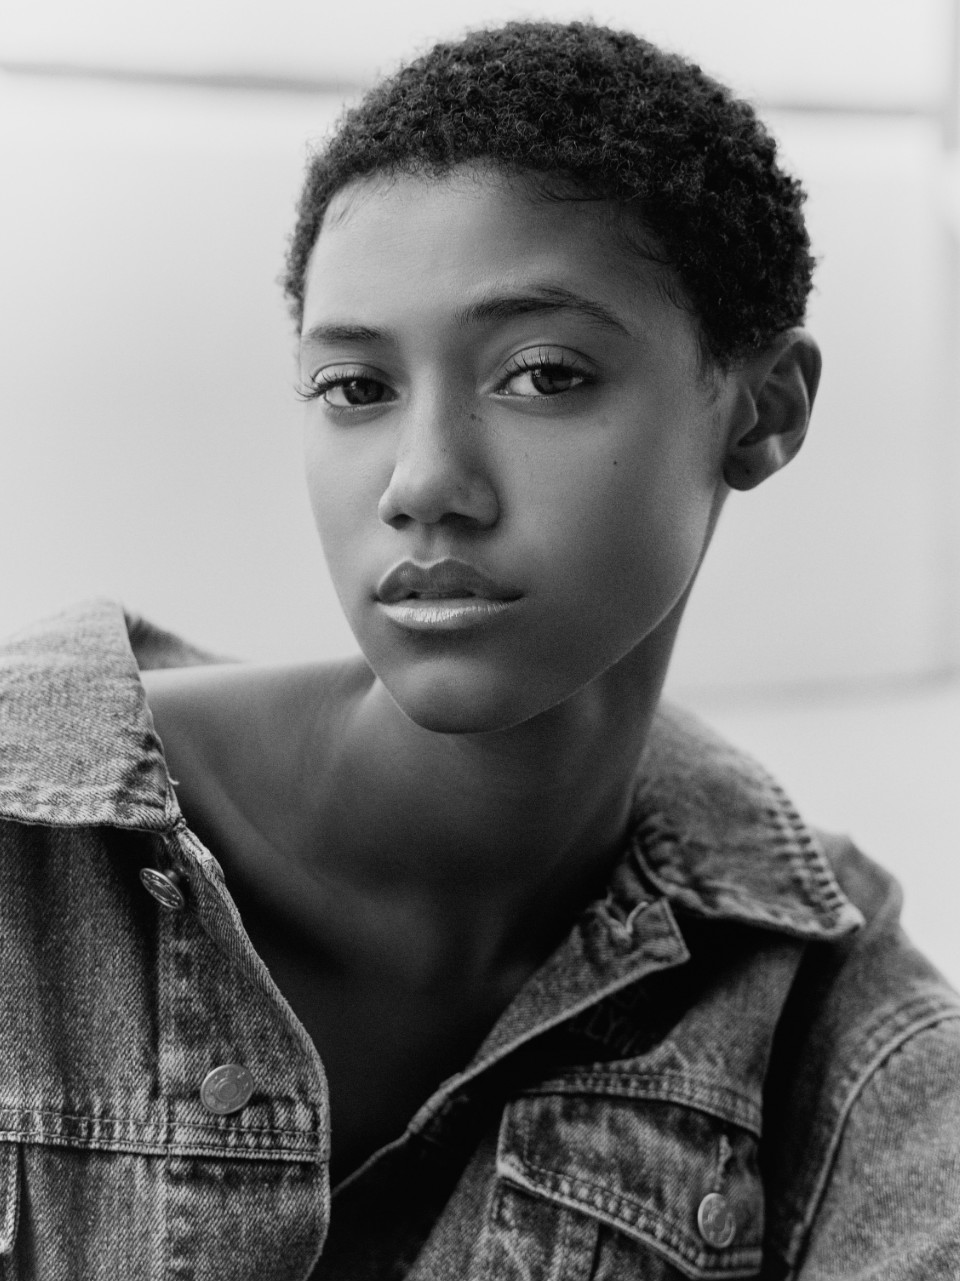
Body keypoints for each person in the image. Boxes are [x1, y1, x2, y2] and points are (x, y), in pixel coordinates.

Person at [1, 19, 958, 1280]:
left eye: (542, 374)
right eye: (355, 387)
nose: (423, 485)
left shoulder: (817, 1022)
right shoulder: (28, 852)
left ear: (763, 410)